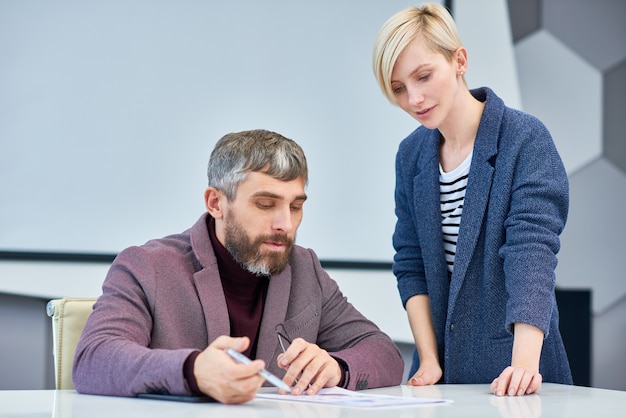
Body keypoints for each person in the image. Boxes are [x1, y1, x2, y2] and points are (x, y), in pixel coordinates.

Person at [72, 129, 404, 404]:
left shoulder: (305, 269)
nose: (285, 224)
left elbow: (384, 353)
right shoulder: (147, 266)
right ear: (216, 203)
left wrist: (338, 367)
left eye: (296, 206)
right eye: (265, 204)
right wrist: (193, 371)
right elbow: (94, 358)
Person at [371, 3, 572, 397]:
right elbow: (410, 262)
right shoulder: (410, 154)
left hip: (517, 372)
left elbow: (531, 253)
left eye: (423, 76)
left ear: (459, 60)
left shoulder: (524, 139)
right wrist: (428, 359)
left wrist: (524, 365)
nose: (414, 98)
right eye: (398, 88)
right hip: (439, 379)